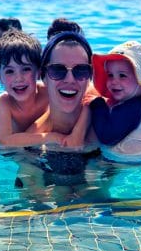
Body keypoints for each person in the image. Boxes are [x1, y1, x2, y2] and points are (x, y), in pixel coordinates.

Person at [26, 29, 100, 175]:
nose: (70, 79)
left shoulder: (105, 121)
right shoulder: (33, 141)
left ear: (90, 77)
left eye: (81, 70)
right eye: (57, 70)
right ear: (44, 77)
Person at [90, 41, 141, 163]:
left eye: (122, 75)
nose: (113, 81)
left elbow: (106, 137)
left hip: (120, 163)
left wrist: (97, 104)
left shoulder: (130, 109)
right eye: (110, 75)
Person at [0, 28, 64, 147]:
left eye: (26, 69)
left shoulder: (48, 93)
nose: (18, 78)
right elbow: (4, 141)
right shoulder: (3, 103)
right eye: (10, 71)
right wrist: (50, 137)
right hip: (19, 151)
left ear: (38, 71)